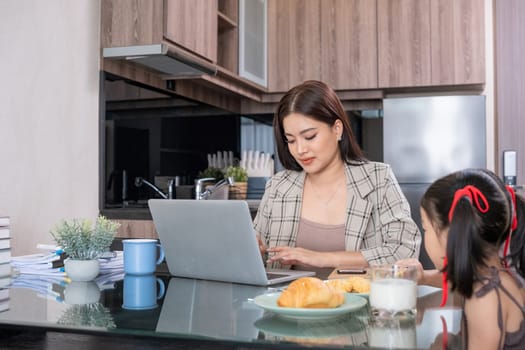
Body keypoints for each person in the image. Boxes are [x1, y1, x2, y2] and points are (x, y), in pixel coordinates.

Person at [253, 80, 421, 278]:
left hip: (362, 305)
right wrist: (254, 250)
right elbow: (257, 260)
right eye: (290, 140)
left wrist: (321, 258)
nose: (300, 150)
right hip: (289, 306)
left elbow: (403, 252)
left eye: (310, 136)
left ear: (337, 129)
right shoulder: (278, 187)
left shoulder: (378, 179)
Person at [398, 168, 525, 349]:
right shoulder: (497, 274)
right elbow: (457, 285)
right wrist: (423, 278)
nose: (424, 234)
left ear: (450, 235)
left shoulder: (486, 299)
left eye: (425, 228)